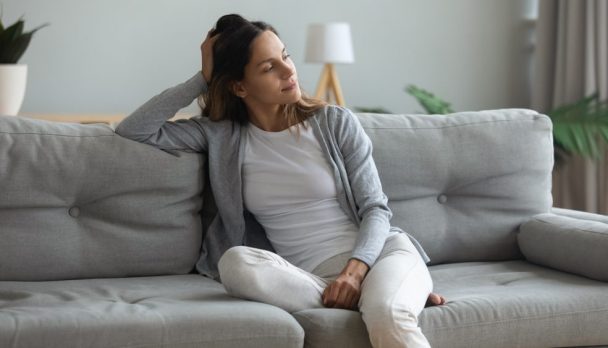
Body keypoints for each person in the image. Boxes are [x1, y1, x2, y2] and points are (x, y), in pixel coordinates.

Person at [115, 13, 445, 348]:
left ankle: (384, 296)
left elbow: (376, 209)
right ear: (239, 86)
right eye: (269, 67)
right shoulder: (221, 137)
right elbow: (134, 129)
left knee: (389, 314)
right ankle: (376, 298)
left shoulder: (334, 123)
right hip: (305, 279)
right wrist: (203, 77)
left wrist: (353, 274)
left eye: (285, 56)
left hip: (376, 257)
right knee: (235, 263)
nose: (289, 71)